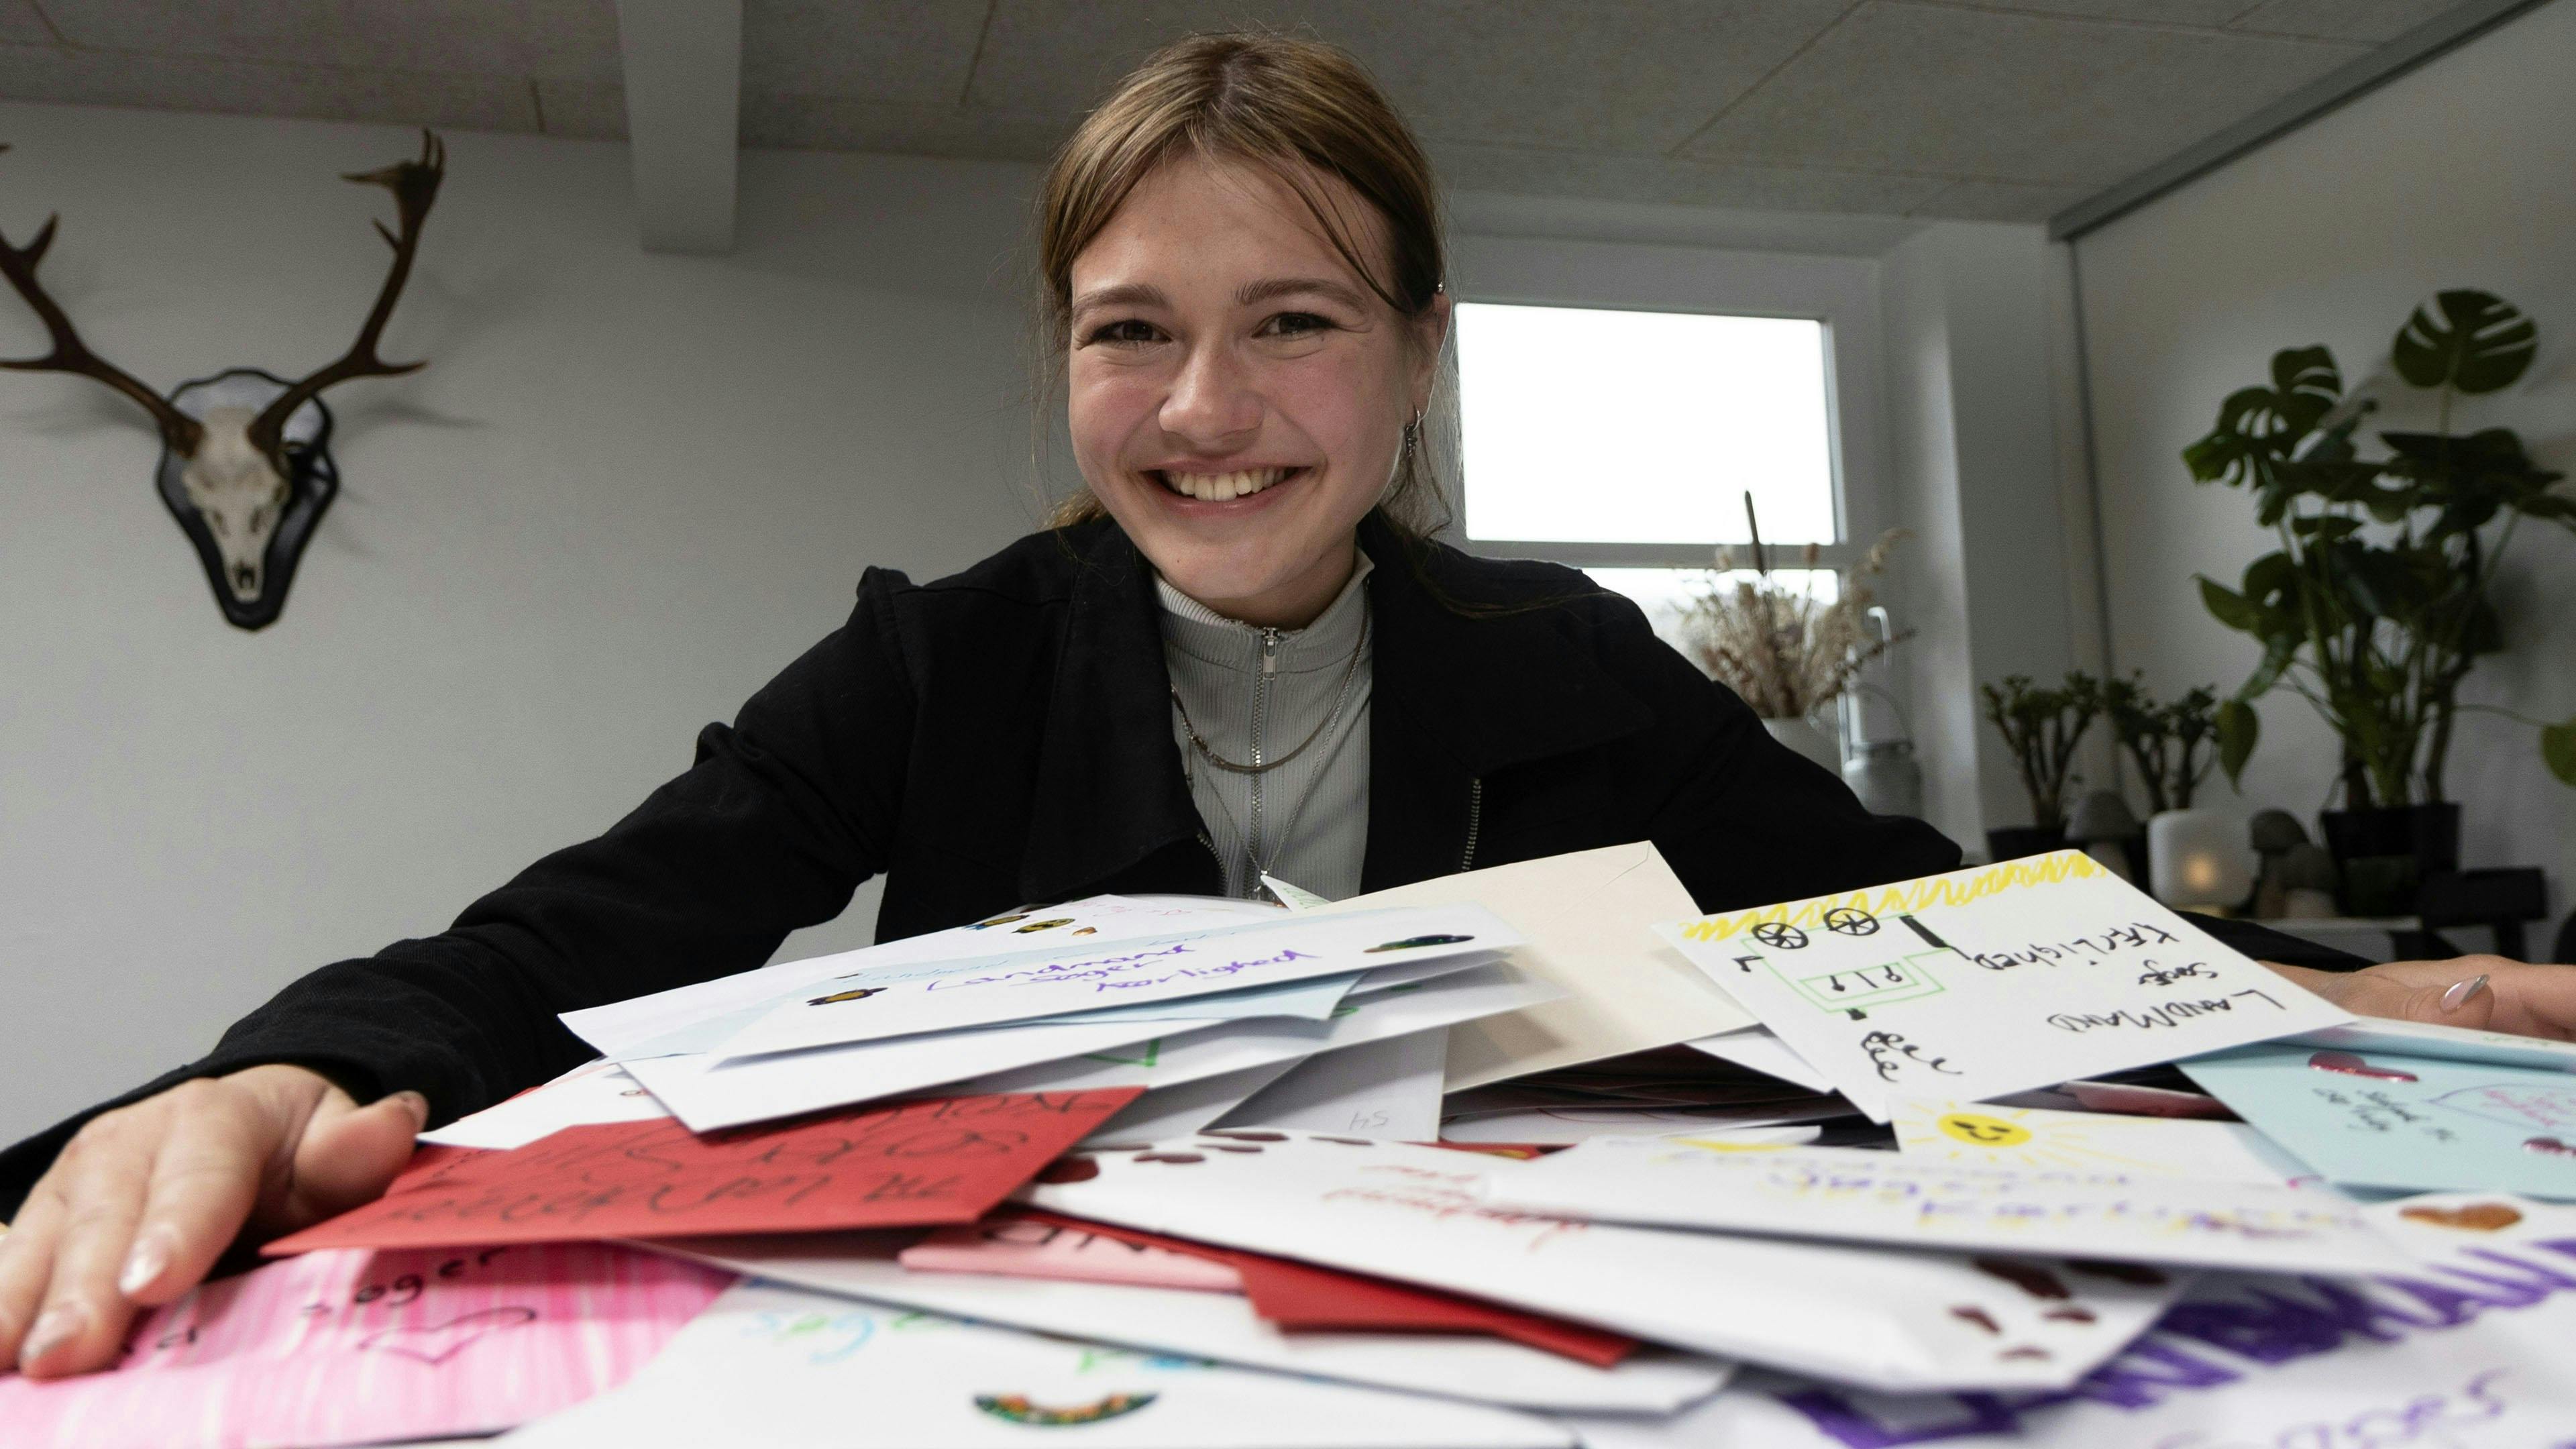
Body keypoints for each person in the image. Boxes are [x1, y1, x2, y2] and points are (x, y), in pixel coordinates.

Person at [2, 31, 2565, 1382]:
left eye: (1296, 323)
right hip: (1050, 1347)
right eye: (1136, 334)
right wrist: (245, 1078)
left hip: (1521, 1331)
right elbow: (576, 940)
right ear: (1066, 363)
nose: (1207, 409)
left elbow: (1919, 921)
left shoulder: (1554, 654)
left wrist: (2318, 997)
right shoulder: (941, 654)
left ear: (1416, 364)